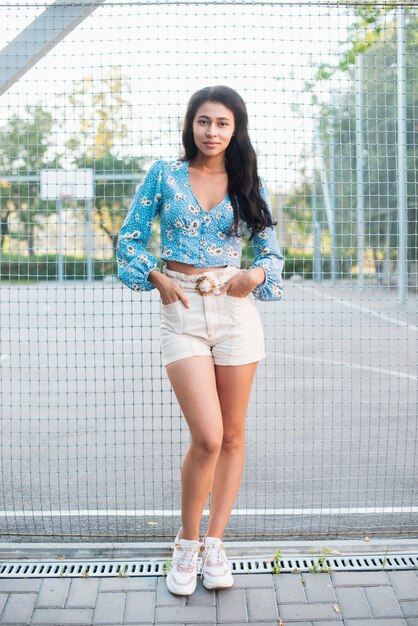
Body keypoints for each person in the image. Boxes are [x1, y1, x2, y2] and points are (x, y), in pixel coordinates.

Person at [116, 85, 284, 596]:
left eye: (223, 123)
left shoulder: (248, 180)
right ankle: (185, 544)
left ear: (236, 129)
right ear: (191, 124)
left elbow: (271, 253)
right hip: (182, 308)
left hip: (235, 311)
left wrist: (254, 277)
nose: (212, 132)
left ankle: (215, 542)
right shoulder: (164, 174)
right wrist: (156, 277)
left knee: (233, 436)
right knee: (208, 436)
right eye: (204, 122)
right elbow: (128, 238)